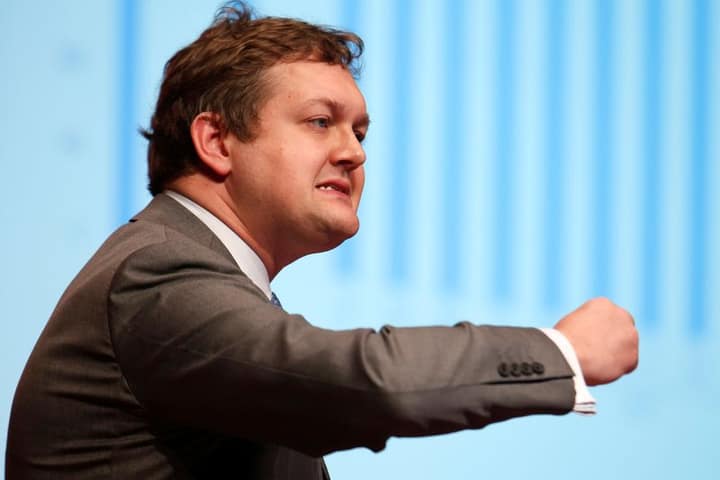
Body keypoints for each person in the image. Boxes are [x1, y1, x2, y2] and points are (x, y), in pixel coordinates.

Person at [6, 3, 638, 479]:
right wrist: (561, 352)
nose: (354, 152)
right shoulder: (157, 272)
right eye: (319, 122)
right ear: (217, 142)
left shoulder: (198, 274)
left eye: (359, 131)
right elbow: (365, 383)